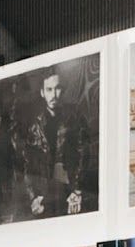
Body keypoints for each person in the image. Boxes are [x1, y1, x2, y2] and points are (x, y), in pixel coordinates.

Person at [22, 66, 89, 219]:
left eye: (57, 89)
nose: (54, 95)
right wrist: (33, 197)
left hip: (70, 190)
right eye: (49, 89)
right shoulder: (34, 125)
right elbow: (26, 165)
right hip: (45, 195)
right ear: (42, 93)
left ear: (63, 90)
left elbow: (84, 155)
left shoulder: (74, 118)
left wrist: (77, 190)